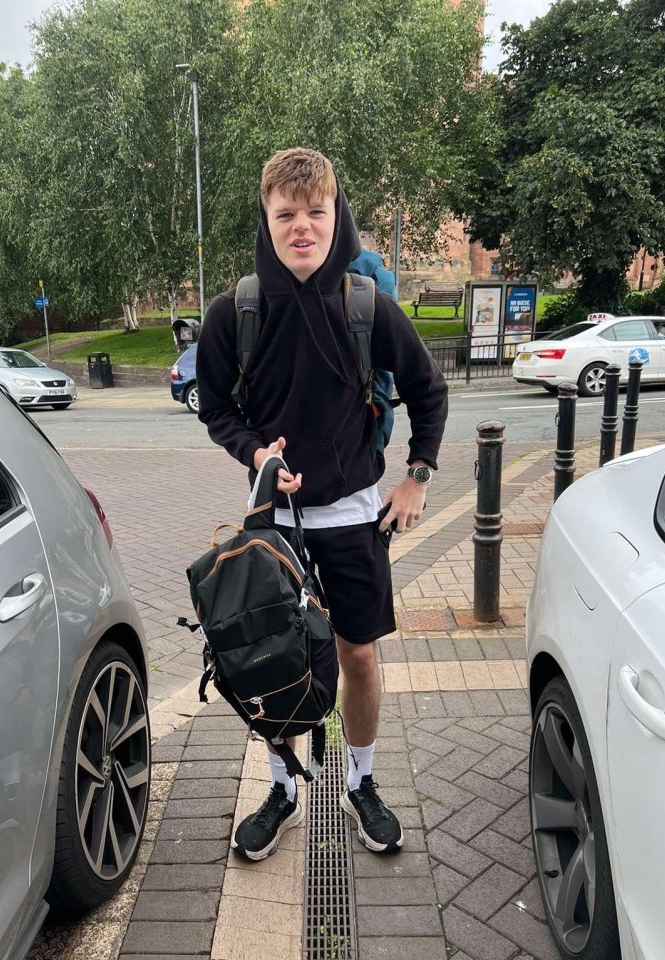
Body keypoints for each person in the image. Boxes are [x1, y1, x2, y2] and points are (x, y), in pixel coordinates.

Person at [196, 147, 448, 860]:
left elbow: (429, 390)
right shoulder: (236, 311)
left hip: (353, 517)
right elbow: (216, 408)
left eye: (315, 212)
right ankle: (283, 789)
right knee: (273, 661)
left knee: (357, 657)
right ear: (267, 220)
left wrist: (416, 477)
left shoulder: (365, 304)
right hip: (272, 525)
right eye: (286, 214)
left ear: (337, 217)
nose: (301, 227)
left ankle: (360, 782)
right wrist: (257, 456)